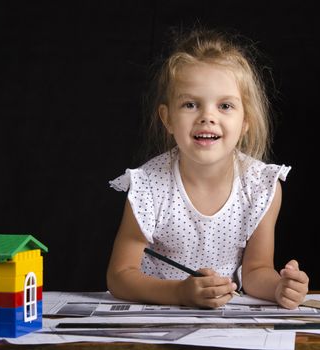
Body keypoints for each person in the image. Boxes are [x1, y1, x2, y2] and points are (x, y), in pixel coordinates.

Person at [106, 28, 309, 309]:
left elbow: (256, 271)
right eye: (190, 104)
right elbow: (119, 276)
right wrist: (180, 293)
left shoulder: (262, 186)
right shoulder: (149, 186)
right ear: (167, 119)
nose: (207, 117)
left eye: (225, 105)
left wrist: (280, 288)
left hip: (225, 322)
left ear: (245, 121)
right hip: (159, 315)